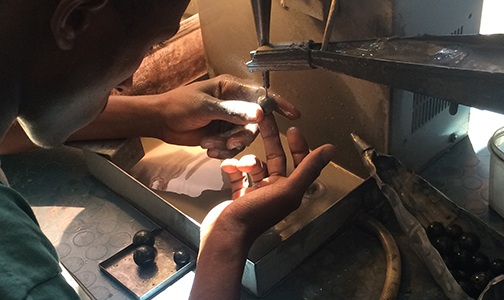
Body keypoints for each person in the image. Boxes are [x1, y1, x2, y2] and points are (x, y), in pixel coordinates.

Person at [0, 0, 335, 299]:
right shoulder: (24, 278)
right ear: (74, 19)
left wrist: (158, 115)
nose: (128, 83)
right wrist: (227, 238)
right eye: (150, 46)